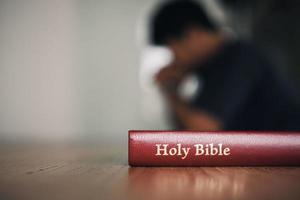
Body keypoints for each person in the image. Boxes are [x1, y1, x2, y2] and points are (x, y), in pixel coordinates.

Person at [149, 0, 300, 131]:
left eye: (172, 47)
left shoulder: (239, 57)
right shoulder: (209, 68)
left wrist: (171, 94)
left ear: (192, 34)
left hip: (285, 158)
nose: (174, 57)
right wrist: (172, 90)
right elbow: (187, 135)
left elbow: (203, 135)